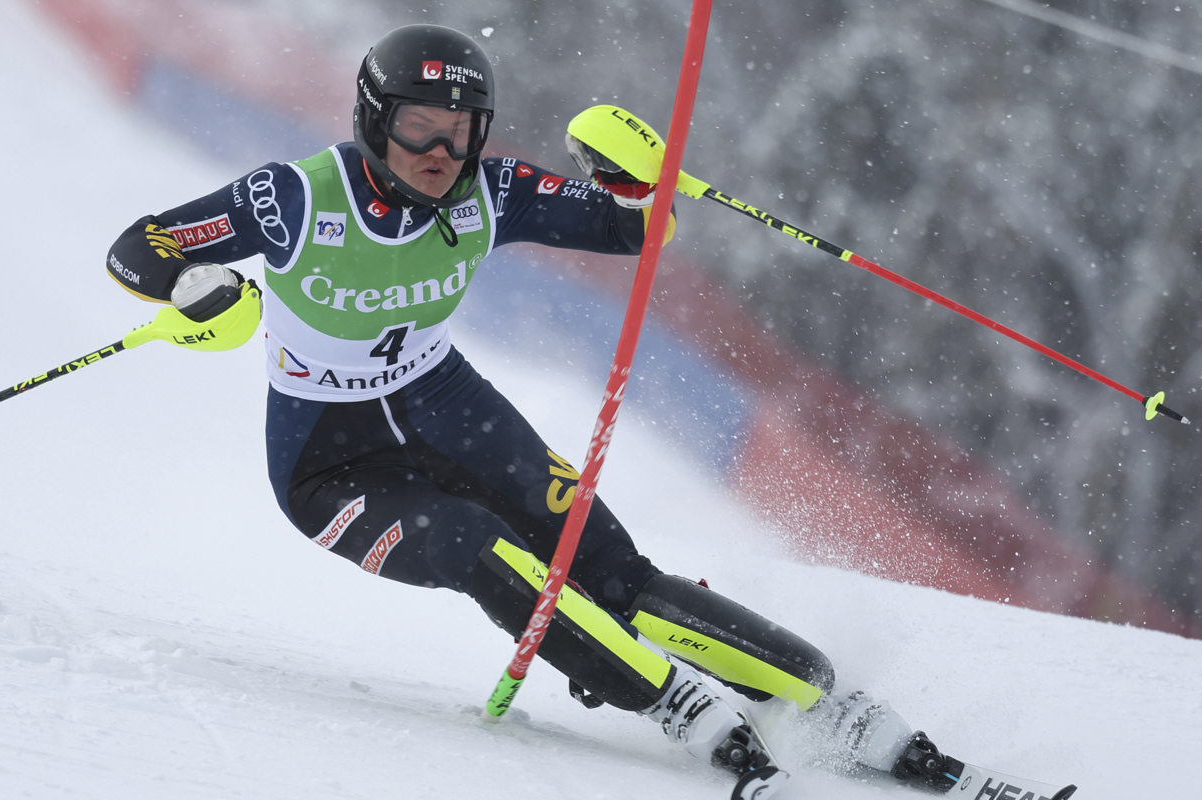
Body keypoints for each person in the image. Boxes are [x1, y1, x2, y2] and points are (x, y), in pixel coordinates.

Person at [104, 23, 958, 796]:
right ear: (374, 119)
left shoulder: (492, 188)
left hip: (448, 405)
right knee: (480, 548)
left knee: (615, 573)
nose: (443, 150)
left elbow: (630, 230)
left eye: (463, 128)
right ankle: (678, 706)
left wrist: (631, 187)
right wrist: (191, 282)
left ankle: (821, 697)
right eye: (419, 127)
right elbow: (139, 246)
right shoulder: (296, 197)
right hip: (331, 458)